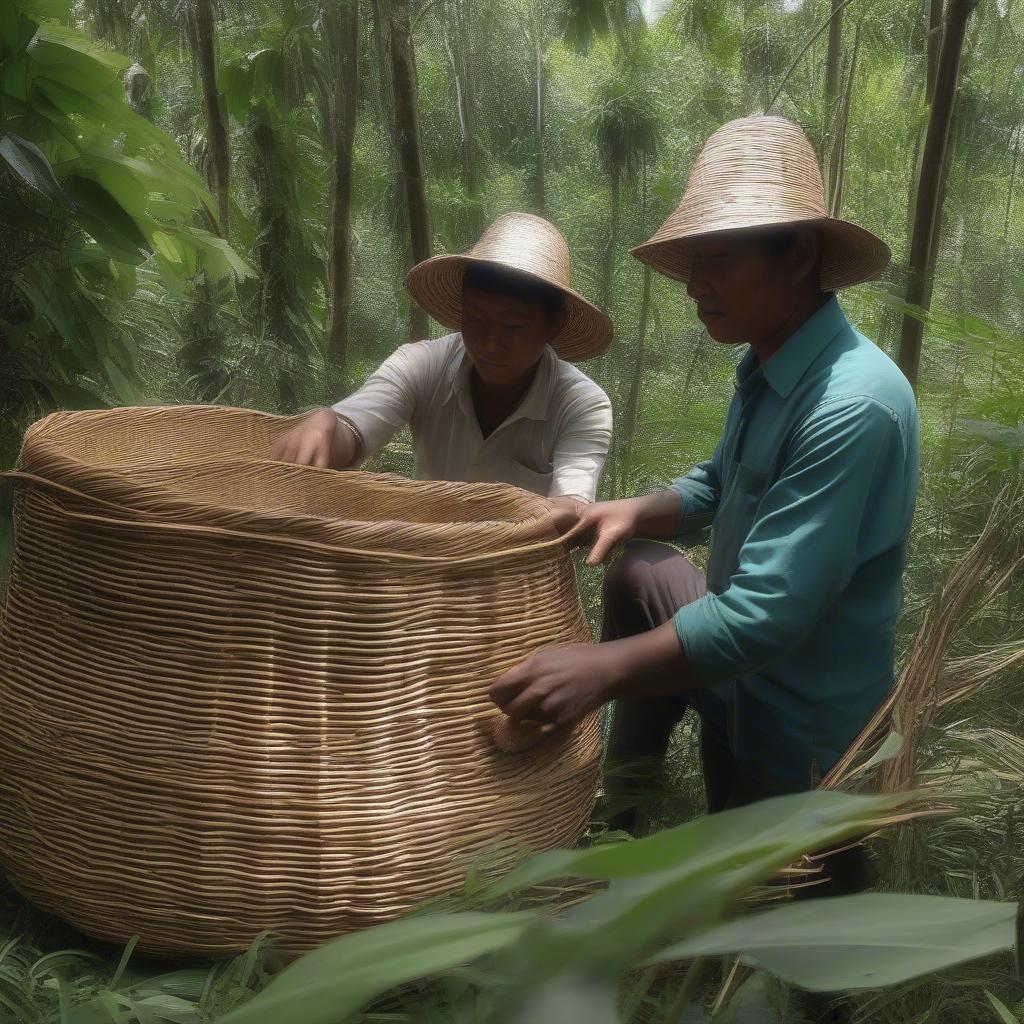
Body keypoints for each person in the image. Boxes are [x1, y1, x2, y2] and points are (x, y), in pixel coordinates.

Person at [489, 116, 920, 894]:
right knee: (639, 573)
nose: (695, 285)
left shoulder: (854, 405)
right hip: (740, 682)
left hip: (802, 732)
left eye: (718, 259)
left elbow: (763, 619)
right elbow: (718, 485)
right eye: (693, 262)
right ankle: (622, 808)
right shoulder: (768, 365)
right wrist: (623, 513)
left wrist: (603, 670)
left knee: (788, 953)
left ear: (798, 254)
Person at [272, 213, 614, 522]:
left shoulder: (582, 405)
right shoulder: (421, 364)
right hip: (423, 565)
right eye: (476, 319)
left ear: (554, 324)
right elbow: (355, 429)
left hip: (519, 575)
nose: (490, 343)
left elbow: (571, 506)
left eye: (514, 328)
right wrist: (327, 424)